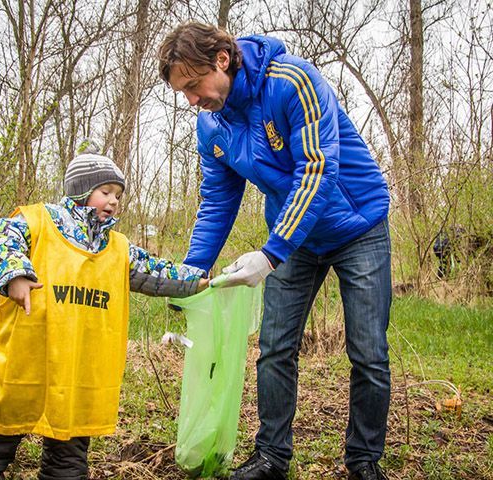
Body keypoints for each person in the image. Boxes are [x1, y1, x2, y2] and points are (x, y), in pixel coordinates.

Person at [158, 23, 391, 480]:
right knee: (275, 346)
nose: (190, 99)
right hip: (295, 238)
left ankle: (364, 460)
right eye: (181, 92)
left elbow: (318, 168)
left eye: (193, 85)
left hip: (358, 226)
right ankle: (271, 458)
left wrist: (270, 254)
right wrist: (190, 273)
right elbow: (218, 202)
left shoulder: (292, 83)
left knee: (368, 351)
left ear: (221, 61)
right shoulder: (212, 125)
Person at [0, 145, 208, 480]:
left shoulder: (117, 247)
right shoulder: (38, 221)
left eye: (118, 195)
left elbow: (158, 271)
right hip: (31, 350)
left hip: (82, 362)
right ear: (81, 191)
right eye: (105, 192)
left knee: (73, 427)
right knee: (11, 409)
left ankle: (62, 472)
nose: (113, 201)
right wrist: (16, 275)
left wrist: (204, 281)